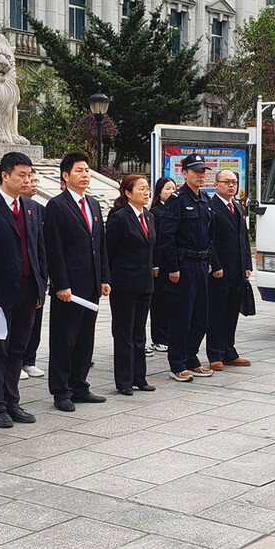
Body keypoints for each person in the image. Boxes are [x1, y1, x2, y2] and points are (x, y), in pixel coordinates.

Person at [0, 153, 47, 427]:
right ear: (5, 175)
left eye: (29, 174)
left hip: (28, 291)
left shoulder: (32, 208)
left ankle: (12, 401)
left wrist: (41, 287)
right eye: (21, 175)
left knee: (18, 349)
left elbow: (39, 251)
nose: (27, 179)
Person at [43, 152, 110, 411]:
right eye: (79, 170)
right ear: (65, 175)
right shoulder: (57, 206)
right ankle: (61, 390)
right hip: (68, 287)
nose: (85, 174)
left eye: (87, 170)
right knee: (64, 339)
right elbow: (54, 248)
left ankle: (79, 385)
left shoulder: (92, 204)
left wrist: (104, 277)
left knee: (85, 338)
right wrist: (61, 284)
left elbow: (99, 244)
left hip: (91, 284)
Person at [157, 155, 215, 381]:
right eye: (196, 171)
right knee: (182, 316)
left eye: (203, 171)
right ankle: (177, 362)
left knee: (201, 316)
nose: (200, 175)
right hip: (183, 265)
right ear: (185, 173)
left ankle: (192, 357)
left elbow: (211, 235)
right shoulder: (177, 200)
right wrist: (172, 266)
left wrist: (210, 261)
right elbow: (166, 236)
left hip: (201, 264)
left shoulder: (205, 199)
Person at [105, 174, 157, 396]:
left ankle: (139, 377)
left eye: (147, 189)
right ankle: (124, 380)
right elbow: (109, 251)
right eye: (141, 189)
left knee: (139, 333)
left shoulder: (149, 216)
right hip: (124, 284)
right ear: (127, 193)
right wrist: (106, 279)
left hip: (144, 283)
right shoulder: (120, 217)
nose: (146, 193)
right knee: (124, 332)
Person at [207, 169, 253, 371]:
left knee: (233, 312)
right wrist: (215, 265)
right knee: (217, 313)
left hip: (237, 270)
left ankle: (229, 351)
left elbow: (243, 238)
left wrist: (247, 265)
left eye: (234, 182)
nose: (231, 185)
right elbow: (209, 239)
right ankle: (214, 353)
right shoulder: (211, 207)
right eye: (226, 182)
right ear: (216, 184)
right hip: (220, 271)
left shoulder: (237, 207)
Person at [20, 167, 47, 380]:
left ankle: (29, 360)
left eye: (34, 179)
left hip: (35, 276)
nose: (32, 183)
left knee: (34, 322)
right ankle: (17, 362)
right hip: (13, 280)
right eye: (28, 178)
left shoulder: (38, 209)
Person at [148, 177, 176, 354]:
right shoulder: (155, 212)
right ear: (159, 192)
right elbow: (155, 241)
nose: (172, 192)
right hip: (160, 264)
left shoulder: (175, 210)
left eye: (174, 188)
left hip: (172, 263)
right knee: (158, 302)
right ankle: (158, 338)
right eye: (167, 189)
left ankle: (168, 335)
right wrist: (155, 263)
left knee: (170, 302)